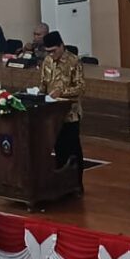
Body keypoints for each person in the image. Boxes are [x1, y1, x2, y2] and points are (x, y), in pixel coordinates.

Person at [40, 31, 86, 174]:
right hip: (53, 113)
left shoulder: (74, 61)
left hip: (70, 114)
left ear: (61, 46)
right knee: (59, 149)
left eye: (53, 51)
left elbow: (81, 88)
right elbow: (44, 84)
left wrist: (61, 93)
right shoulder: (47, 61)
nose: (51, 54)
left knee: (72, 150)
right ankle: (61, 181)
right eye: (48, 51)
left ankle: (76, 181)